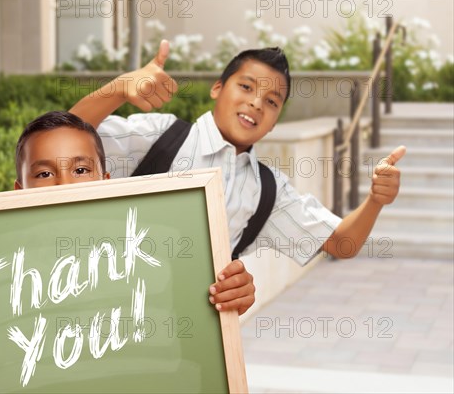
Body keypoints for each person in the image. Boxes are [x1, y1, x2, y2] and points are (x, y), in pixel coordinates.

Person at [69, 41, 406, 312]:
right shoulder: (160, 137)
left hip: (184, 345)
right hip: (104, 318)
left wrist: (376, 200)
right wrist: (118, 89)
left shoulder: (268, 191)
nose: (256, 102)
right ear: (218, 88)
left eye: (272, 101)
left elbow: (341, 243)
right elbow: (60, 144)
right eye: (246, 86)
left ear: (275, 122)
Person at [0, 111, 253, 314]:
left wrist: (234, 293)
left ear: (105, 180)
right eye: (44, 173)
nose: (64, 185)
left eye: (80, 169)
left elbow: (203, 298)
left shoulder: (146, 250)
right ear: (19, 191)